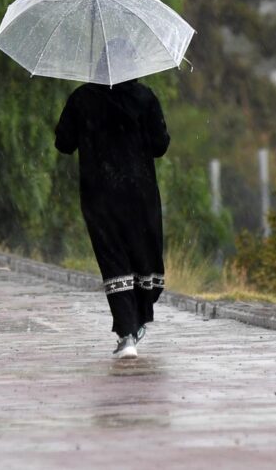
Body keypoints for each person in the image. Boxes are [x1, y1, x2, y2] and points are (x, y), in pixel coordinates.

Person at [53, 70, 170, 359]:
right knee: (142, 256)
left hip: (99, 195)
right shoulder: (145, 97)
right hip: (140, 195)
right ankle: (138, 319)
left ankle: (127, 333)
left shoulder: (82, 98)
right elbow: (160, 145)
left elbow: (63, 143)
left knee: (114, 259)